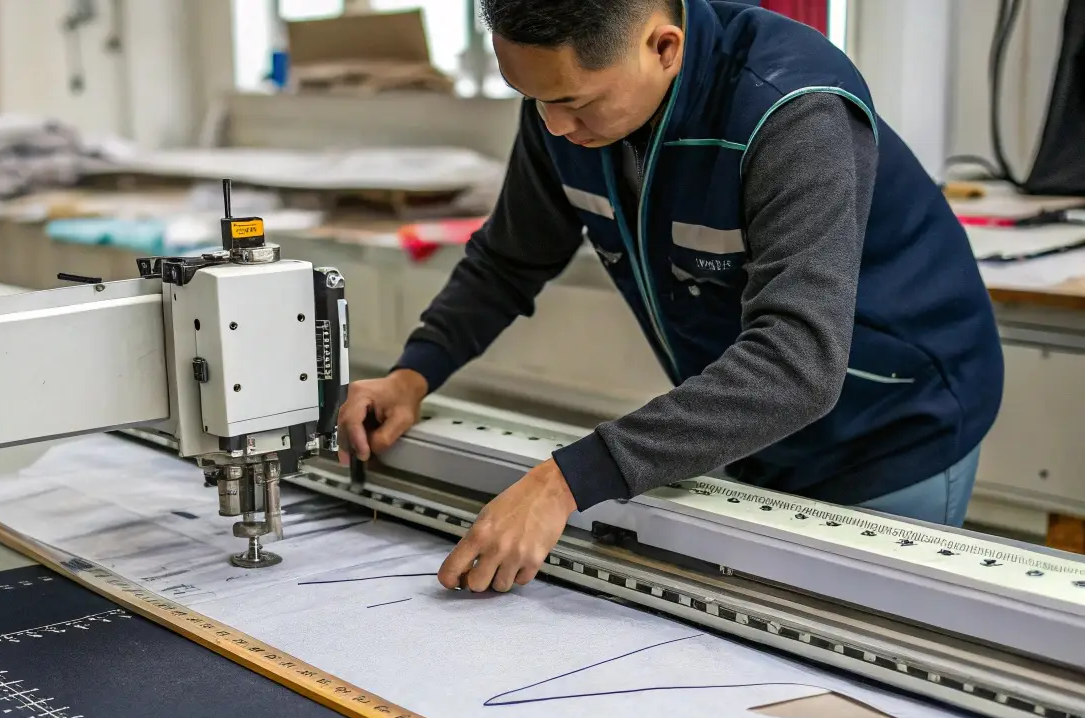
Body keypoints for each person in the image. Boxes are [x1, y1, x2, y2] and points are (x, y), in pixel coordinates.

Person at [336, 0, 1003, 595]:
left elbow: (797, 363)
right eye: (536, 99)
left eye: (576, 102)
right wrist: (414, 373)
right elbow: (510, 259)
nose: (555, 126)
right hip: (750, 424)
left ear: (663, 47)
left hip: (890, 421)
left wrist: (563, 482)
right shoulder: (564, 107)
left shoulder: (793, 109)